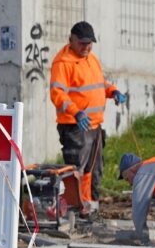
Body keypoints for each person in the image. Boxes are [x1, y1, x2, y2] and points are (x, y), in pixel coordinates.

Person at [48, 21, 126, 216]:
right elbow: (57, 93)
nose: (86, 47)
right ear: (71, 40)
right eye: (82, 43)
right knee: (76, 170)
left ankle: (90, 208)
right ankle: (75, 209)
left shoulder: (91, 59)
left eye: (89, 43)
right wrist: (76, 112)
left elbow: (99, 83)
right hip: (75, 126)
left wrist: (112, 91)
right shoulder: (63, 63)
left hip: (94, 125)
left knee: (93, 169)